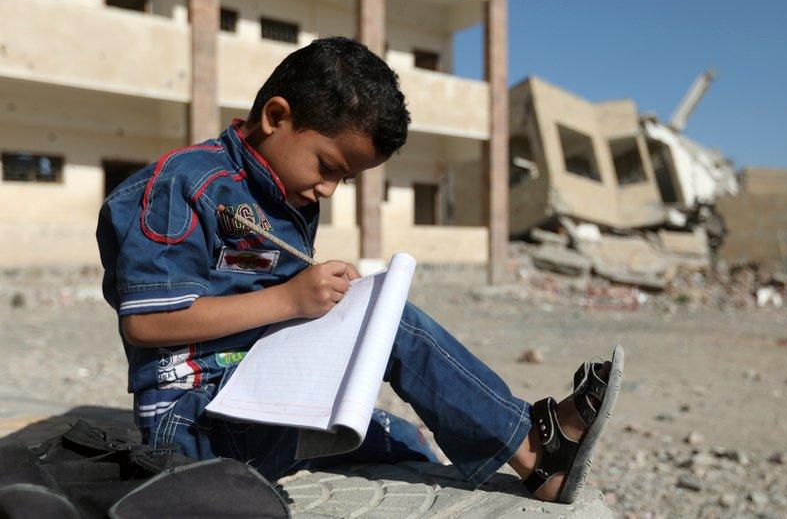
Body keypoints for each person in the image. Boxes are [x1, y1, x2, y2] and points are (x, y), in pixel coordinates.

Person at [96, 37, 623, 504]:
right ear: (276, 117)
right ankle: (538, 452)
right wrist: (290, 300)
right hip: (193, 423)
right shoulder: (184, 184)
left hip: (258, 397)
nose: (327, 188)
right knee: (394, 323)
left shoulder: (285, 191)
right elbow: (149, 323)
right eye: (327, 167)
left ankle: (527, 443)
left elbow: (272, 305)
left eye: (342, 179)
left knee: (407, 438)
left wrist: (322, 298)